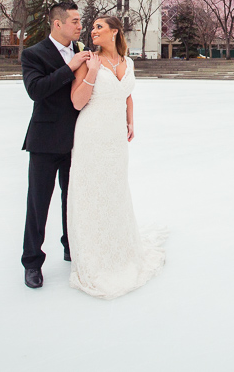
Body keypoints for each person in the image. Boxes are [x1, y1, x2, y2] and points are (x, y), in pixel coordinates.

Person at [67, 15, 165, 299]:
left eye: (99, 27)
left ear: (114, 31)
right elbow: (76, 101)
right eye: (92, 27)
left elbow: (127, 94)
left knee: (114, 191)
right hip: (91, 135)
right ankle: (94, 255)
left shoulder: (127, 61)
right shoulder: (88, 59)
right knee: (92, 193)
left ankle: (120, 249)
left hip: (115, 140)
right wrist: (93, 73)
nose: (93, 31)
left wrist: (130, 120)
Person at [20, 3, 90, 289]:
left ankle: (70, 246)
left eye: (80, 21)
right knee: (38, 204)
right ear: (57, 24)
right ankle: (32, 262)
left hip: (77, 141)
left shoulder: (81, 51)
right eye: (74, 21)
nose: (80, 26)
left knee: (71, 201)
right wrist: (69, 68)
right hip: (45, 142)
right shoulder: (33, 54)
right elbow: (36, 91)